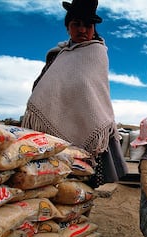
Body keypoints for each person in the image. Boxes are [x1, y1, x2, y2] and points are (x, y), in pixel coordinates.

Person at [21, 0, 127, 187]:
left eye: (88, 25)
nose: (82, 30)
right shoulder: (58, 54)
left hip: (89, 123)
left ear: (94, 28)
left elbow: (91, 90)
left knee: (84, 183)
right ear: (67, 27)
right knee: (54, 180)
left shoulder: (97, 52)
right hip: (52, 129)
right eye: (76, 24)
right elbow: (43, 85)